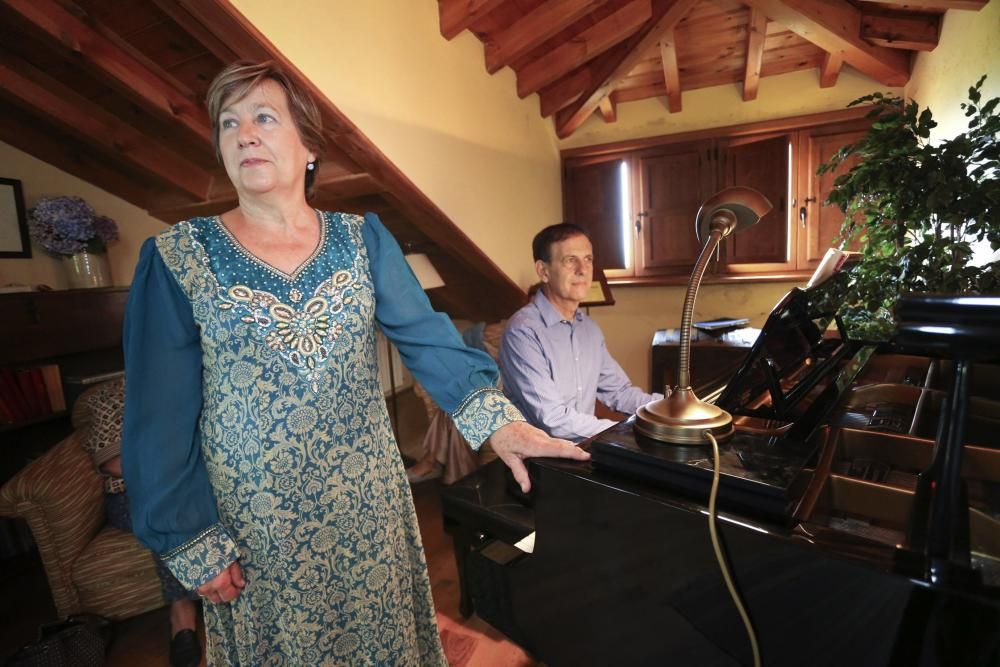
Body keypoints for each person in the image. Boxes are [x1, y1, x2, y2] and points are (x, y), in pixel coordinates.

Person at [120, 60, 588, 666]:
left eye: (264, 117)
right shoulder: (177, 257)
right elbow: (158, 413)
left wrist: (503, 424)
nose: (244, 134)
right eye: (228, 123)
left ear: (308, 145)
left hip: (370, 506)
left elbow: (427, 339)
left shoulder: (361, 239)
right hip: (259, 523)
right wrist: (188, 536)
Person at [75, 378, 201, 667]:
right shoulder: (109, 396)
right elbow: (112, 463)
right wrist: (170, 471)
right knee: (164, 511)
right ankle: (181, 613)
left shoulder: (186, 383)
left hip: (185, 485)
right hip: (132, 494)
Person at [500, 223, 664, 441]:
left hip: (583, 450)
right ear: (543, 271)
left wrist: (668, 408)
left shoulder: (589, 329)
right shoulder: (522, 331)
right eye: (570, 260)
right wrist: (626, 431)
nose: (583, 269)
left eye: (588, 259)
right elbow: (553, 420)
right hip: (539, 461)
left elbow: (619, 392)